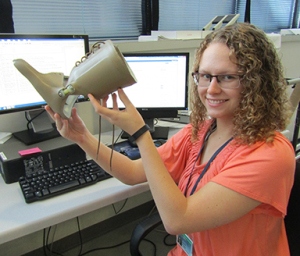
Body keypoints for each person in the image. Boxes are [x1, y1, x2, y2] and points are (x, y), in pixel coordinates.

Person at [46, 23, 295, 255]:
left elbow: (178, 220)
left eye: (227, 77)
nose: (211, 89)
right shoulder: (200, 132)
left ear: (256, 83)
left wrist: (140, 133)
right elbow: (133, 172)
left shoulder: (270, 154)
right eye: (205, 76)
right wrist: (82, 137)